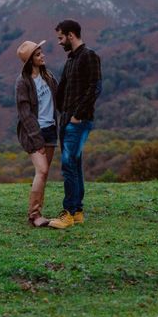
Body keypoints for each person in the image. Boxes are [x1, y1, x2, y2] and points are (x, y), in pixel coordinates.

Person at [49, 20, 102, 229]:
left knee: (69, 167)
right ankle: (77, 211)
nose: (60, 42)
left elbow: (95, 88)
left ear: (71, 35)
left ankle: (69, 213)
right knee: (75, 166)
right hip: (68, 119)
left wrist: (77, 116)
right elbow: (64, 89)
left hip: (77, 121)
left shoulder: (89, 56)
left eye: (61, 38)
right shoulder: (71, 60)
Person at [15, 40, 59, 227]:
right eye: (38, 54)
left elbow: (59, 101)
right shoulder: (23, 82)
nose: (42, 56)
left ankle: (38, 211)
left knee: (44, 173)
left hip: (50, 130)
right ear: (30, 60)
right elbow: (24, 114)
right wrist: (37, 139)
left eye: (41, 53)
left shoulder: (49, 77)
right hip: (34, 132)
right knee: (41, 170)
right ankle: (34, 215)